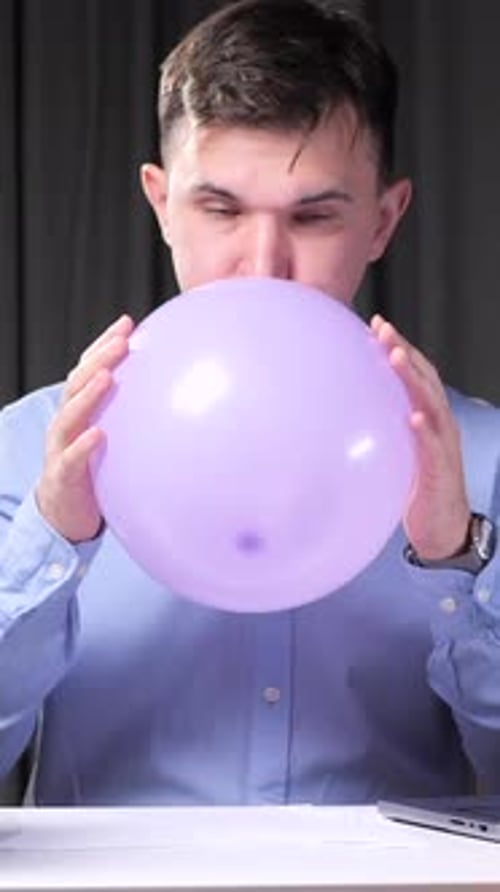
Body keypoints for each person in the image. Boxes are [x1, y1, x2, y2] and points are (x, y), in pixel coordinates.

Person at [1, 0, 500, 808]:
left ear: (384, 218)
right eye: (221, 208)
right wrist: (51, 545)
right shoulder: (25, 452)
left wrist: (456, 562)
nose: (263, 263)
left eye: (314, 215)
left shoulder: (484, 462)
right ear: (161, 204)